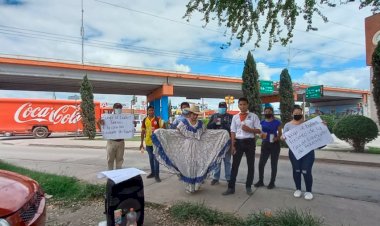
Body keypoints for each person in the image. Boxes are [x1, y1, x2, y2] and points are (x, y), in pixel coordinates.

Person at [152, 105, 230, 193]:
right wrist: (161, 132)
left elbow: (207, 134)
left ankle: (196, 186)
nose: (195, 116)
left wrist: (222, 133)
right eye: (193, 114)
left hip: (198, 147)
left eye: (197, 114)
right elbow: (175, 134)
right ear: (190, 114)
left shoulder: (200, 124)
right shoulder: (183, 123)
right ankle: (189, 187)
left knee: (197, 165)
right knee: (188, 165)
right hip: (187, 147)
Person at [222, 97, 261, 196]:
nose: (242, 106)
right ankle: (231, 188)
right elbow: (233, 131)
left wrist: (249, 129)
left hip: (250, 142)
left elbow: (259, 130)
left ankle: (248, 187)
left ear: (247, 105)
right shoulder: (235, 117)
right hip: (238, 143)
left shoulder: (253, 116)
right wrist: (232, 145)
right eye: (240, 104)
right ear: (238, 105)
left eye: (244, 104)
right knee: (234, 166)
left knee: (250, 165)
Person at [281, 105, 315, 200]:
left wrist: (323, 125)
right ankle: (298, 189)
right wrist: (282, 138)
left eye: (299, 113)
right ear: (292, 114)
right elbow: (283, 137)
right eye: (295, 113)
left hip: (308, 152)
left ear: (302, 114)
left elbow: (317, 132)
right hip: (294, 152)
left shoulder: (307, 124)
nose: (297, 115)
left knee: (306, 171)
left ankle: (308, 191)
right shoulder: (288, 125)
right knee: (296, 170)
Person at [254, 106, 282, 189]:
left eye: (269, 111)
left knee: (273, 164)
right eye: (266, 112)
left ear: (272, 112)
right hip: (265, 144)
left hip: (275, 145)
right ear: (264, 112)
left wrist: (276, 138)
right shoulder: (262, 122)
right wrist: (260, 135)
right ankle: (261, 181)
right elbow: (260, 132)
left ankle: (272, 182)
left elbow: (280, 133)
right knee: (261, 164)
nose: (267, 113)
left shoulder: (277, 122)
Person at [207, 102, 233, 185]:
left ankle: (228, 178)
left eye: (223, 107)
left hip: (227, 142)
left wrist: (225, 124)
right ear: (218, 108)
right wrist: (214, 123)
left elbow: (233, 129)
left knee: (227, 161)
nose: (222, 108)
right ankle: (216, 178)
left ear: (226, 108)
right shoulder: (214, 116)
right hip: (217, 143)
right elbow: (208, 127)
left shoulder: (230, 117)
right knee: (217, 161)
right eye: (220, 107)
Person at [140, 105, 165, 183]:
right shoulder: (145, 120)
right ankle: (152, 173)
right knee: (151, 158)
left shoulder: (158, 119)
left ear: (154, 111)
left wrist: (162, 123)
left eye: (152, 110)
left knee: (156, 159)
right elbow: (143, 131)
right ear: (147, 111)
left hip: (156, 143)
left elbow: (163, 129)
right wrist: (141, 143)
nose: (151, 112)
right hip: (148, 142)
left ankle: (157, 175)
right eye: (149, 110)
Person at [98, 103, 126, 170]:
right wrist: (99, 122)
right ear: (113, 108)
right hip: (111, 142)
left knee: (120, 160)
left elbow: (129, 128)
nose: (118, 109)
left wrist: (133, 123)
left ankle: (118, 176)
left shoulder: (125, 118)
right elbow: (101, 129)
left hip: (121, 142)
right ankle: (110, 177)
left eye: (120, 108)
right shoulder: (107, 117)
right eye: (117, 107)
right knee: (110, 160)